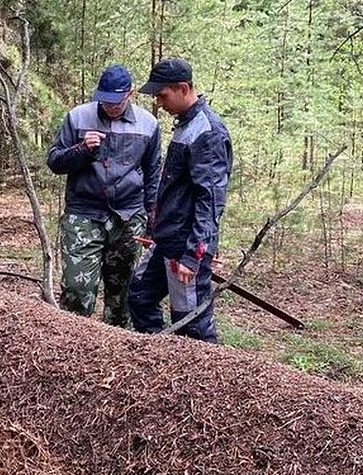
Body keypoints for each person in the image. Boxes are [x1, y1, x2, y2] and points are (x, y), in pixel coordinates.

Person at [47, 64, 162, 327]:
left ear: (130, 94)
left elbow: (153, 175)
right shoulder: (77, 118)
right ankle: (73, 345)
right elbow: (54, 161)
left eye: (116, 101)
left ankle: (117, 353)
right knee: (77, 290)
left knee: (122, 295)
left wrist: (152, 223)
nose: (110, 107)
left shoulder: (148, 125)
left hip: (129, 217)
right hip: (84, 214)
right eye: (105, 100)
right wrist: (82, 149)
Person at [128, 57, 233, 344]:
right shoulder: (185, 124)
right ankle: (163, 361)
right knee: (139, 297)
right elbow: (174, 186)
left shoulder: (207, 132)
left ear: (183, 88)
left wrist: (193, 255)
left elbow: (209, 200)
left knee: (192, 325)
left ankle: (208, 381)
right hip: (167, 239)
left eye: (162, 95)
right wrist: (154, 229)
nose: (159, 103)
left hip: (187, 246)